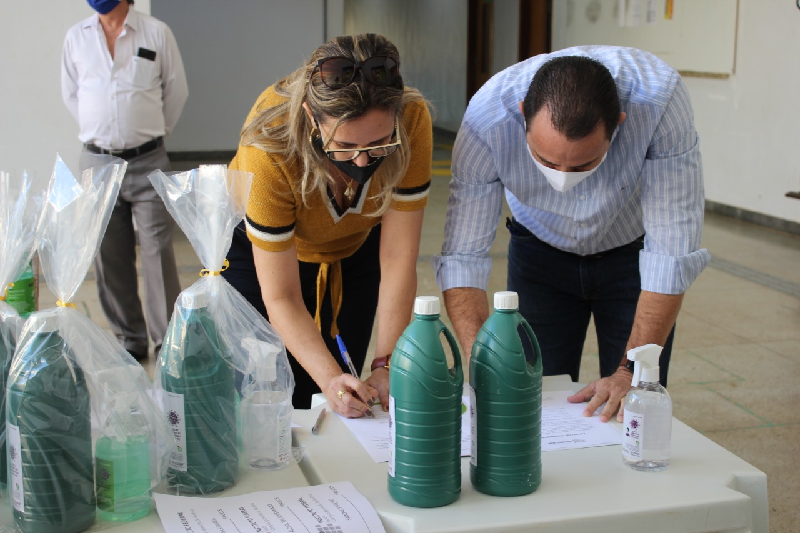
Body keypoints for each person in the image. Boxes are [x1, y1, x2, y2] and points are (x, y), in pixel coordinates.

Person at [434, 46, 710, 423]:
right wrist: (481, 360)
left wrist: (630, 371)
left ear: (619, 125)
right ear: (522, 117)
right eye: (545, 160)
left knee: (633, 402)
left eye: (584, 163)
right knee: (530, 400)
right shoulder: (488, 120)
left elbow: (671, 251)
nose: (562, 178)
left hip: (633, 255)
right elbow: (463, 258)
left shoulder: (660, 100)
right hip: (539, 255)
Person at [222, 34, 433, 417]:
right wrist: (327, 378)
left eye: (379, 144)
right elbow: (281, 296)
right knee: (271, 395)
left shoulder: (413, 119)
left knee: (343, 389)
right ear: (310, 118)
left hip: (352, 246)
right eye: (345, 146)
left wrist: (386, 365)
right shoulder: (268, 149)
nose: (363, 161)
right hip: (263, 256)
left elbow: (399, 258)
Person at [61, 0, 188, 361]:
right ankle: (129, 339)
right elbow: (72, 94)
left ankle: (167, 342)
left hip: (147, 158)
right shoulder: (76, 38)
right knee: (107, 252)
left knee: (158, 250)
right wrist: (100, 132)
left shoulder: (156, 32)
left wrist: (152, 132)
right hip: (97, 160)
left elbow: (176, 91)